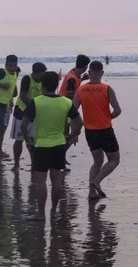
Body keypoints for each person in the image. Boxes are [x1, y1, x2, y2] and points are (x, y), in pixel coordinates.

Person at [22, 71, 83, 221]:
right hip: (59, 145)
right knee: (56, 180)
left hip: (41, 145)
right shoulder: (66, 102)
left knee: (41, 180)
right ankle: (54, 212)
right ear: (57, 85)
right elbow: (79, 122)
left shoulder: (36, 102)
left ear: (42, 85)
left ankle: (41, 213)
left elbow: (24, 124)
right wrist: (71, 136)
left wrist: (28, 141)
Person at [73, 61, 122, 200]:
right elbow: (117, 110)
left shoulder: (81, 89)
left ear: (89, 73)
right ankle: (97, 181)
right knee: (114, 159)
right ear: (102, 73)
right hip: (105, 129)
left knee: (97, 161)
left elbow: (73, 111)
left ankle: (91, 192)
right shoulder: (106, 88)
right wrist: (109, 117)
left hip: (90, 131)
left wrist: (74, 131)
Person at [9, 62, 47, 169]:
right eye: (42, 74)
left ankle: (34, 164)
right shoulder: (27, 79)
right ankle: (16, 163)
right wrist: (33, 107)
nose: (43, 76)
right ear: (36, 73)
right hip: (21, 113)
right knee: (19, 139)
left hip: (35, 115)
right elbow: (23, 95)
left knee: (33, 140)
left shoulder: (43, 81)